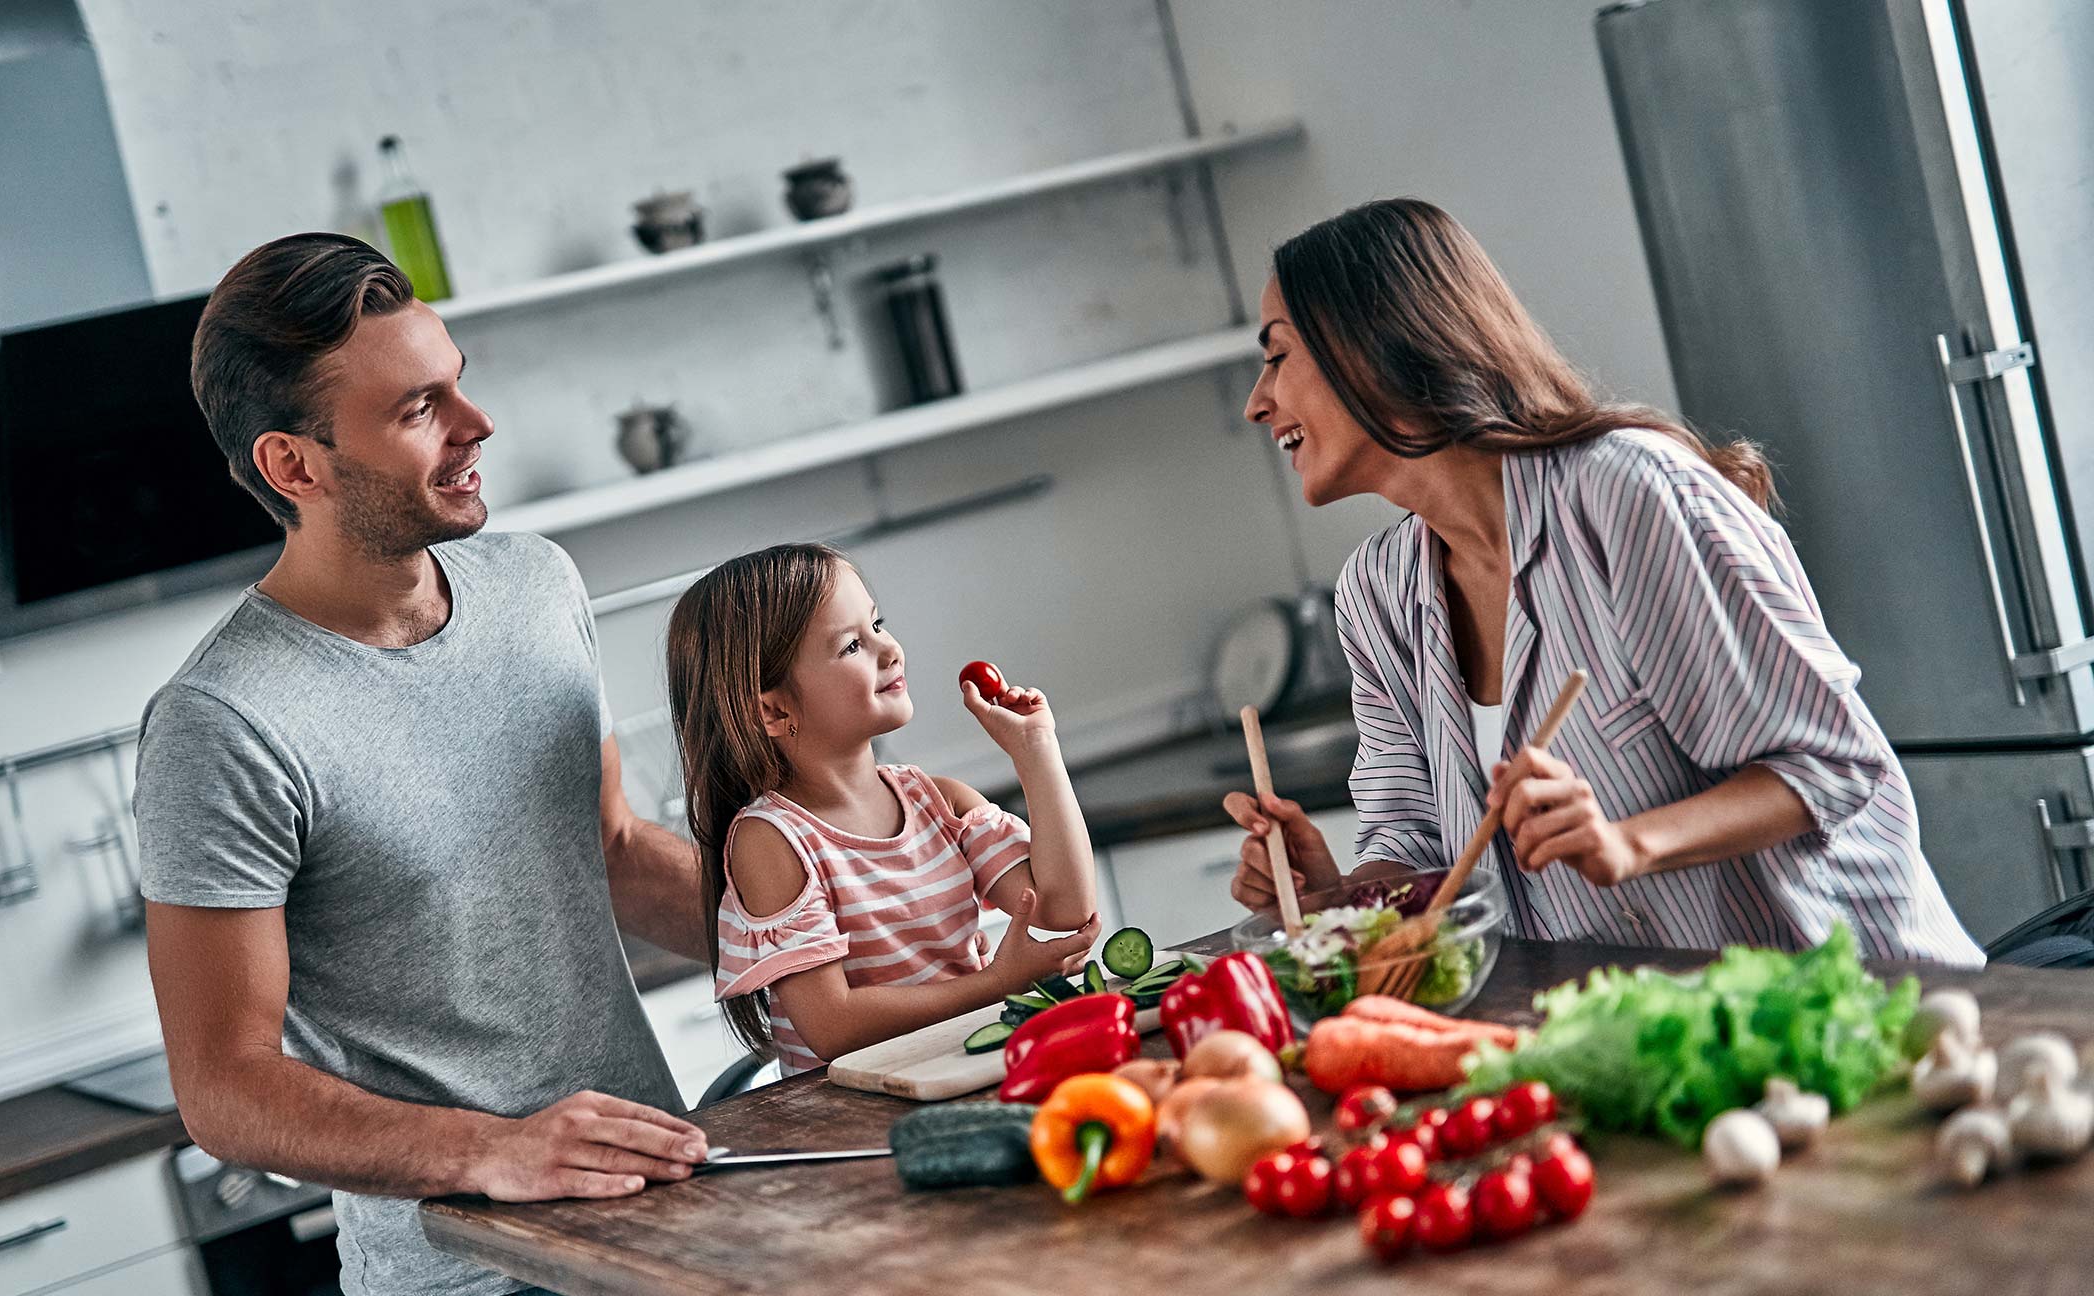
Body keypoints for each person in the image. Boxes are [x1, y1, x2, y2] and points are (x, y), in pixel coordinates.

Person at [135, 232, 714, 1296]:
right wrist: (490, 1151)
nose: (476, 424)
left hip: (656, 1223)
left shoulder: (535, 585)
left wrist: (854, 934)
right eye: (419, 409)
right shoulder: (222, 722)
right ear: (294, 466)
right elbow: (224, 1090)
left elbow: (614, 850)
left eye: (458, 383)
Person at [1223, 198, 1982, 965]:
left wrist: (1627, 844)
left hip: (1855, 997)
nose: (1258, 403)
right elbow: (1419, 849)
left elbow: (1832, 764)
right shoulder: (1377, 594)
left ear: (1370, 346)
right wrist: (1333, 896)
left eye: (1277, 356)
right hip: (1638, 1024)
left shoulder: (1623, 494)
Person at [664, 543, 1102, 1070]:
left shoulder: (941, 802)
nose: (890, 649)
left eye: (878, 624)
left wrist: (1036, 751)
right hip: (860, 1110)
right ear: (775, 711)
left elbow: (1065, 908)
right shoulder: (772, 841)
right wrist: (995, 985)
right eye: (852, 645)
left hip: (966, 1075)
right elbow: (833, 1027)